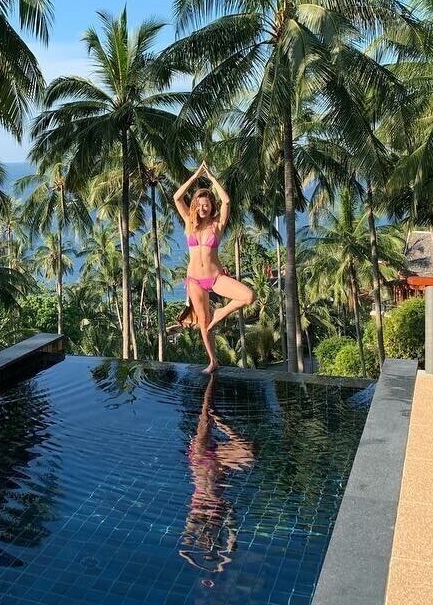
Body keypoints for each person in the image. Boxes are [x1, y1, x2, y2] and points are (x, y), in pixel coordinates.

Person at [173, 162, 255, 373]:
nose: (203, 208)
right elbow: (177, 197)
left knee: (248, 296)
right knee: (204, 321)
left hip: (216, 277)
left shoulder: (217, 225)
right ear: (194, 206)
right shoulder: (189, 223)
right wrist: (194, 177)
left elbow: (226, 200)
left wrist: (210, 177)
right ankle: (213, 361)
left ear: (211, 206)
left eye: (206, 205)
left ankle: (221, 312)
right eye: (199, 205)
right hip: (194, 280)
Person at [179, 373, 256, 573]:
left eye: (205, 543)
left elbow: (183, 550)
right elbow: (232, 544)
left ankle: (212, 380)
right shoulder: (222, 516)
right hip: (219, 463)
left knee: (205, 413)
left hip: (201, 458)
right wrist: (220, 564)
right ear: (216, 540)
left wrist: (198, 564)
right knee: (251, 452)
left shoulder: (195, 519)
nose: (208, 539)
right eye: (212, 543)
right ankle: (222, 424)